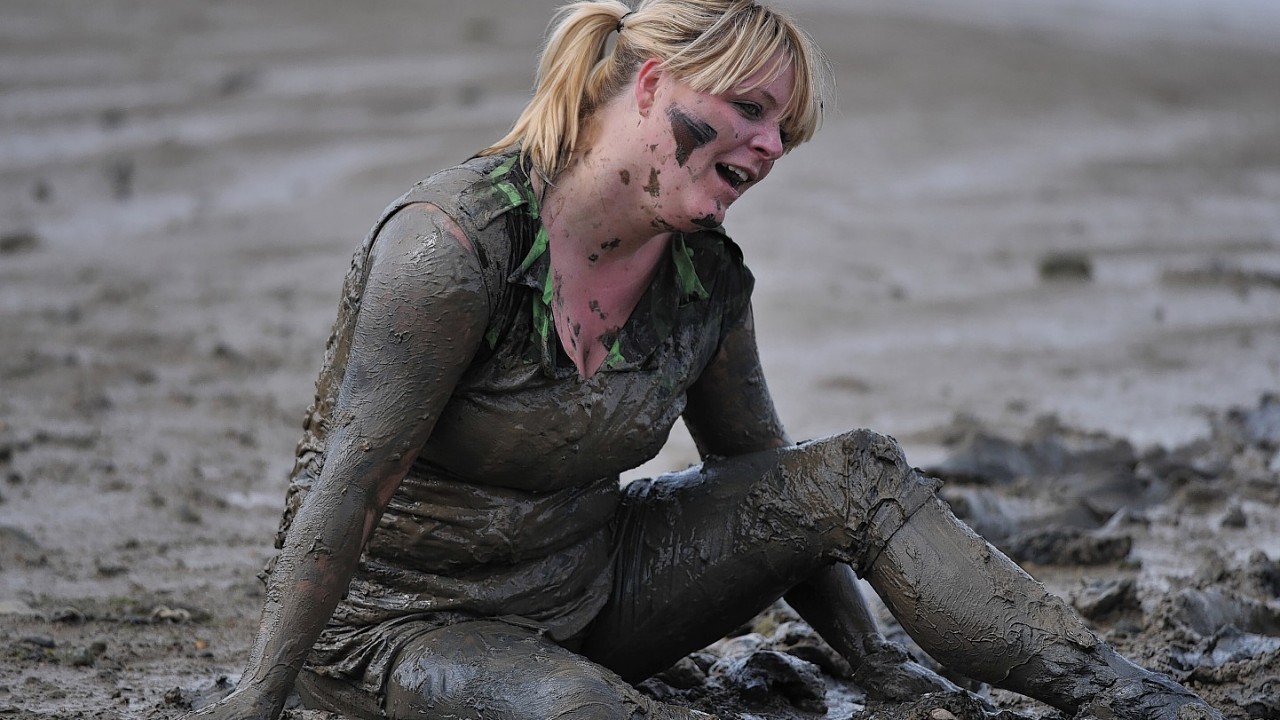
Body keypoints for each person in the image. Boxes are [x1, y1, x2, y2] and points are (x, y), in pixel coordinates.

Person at [188, 1, 1223, 718]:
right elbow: (346, 489)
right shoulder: (451, 249)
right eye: (748, 113)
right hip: (397, 632)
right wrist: (258, 697)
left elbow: (781, 489)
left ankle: (1123, 693)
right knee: (577, 709)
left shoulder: (705, 279)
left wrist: (876, 668)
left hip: (593, 588)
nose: (768, 148)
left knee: (856, 469)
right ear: (651, 82)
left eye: (783, 131)